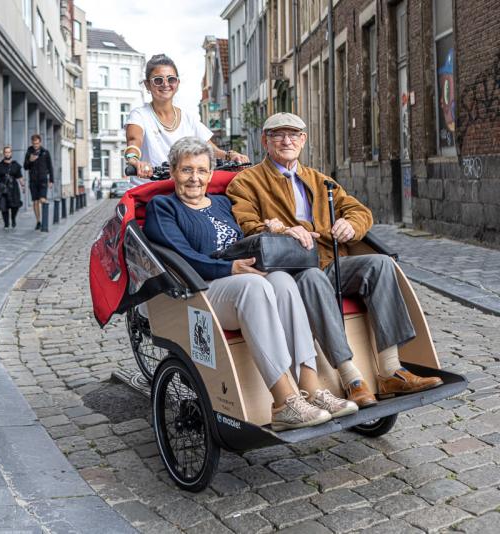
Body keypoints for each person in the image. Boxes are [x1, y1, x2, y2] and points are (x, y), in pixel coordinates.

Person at [227, 112, 443, 407]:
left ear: (303, 140)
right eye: (278, 134)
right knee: (313, 277)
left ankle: (391, 370)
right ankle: (351, 378)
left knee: (380, 264)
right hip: (291, 271)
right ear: (265, 141)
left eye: (293, 134)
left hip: (329, 262)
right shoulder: (246, 182)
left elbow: (360, 212)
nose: (286, 140)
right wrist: (278, 229)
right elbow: (246, 225)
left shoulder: (321, 180)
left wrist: (351, 225)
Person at [144, 136, 357, 430]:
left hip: (241, 280)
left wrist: (273, 228)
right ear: (172, 172)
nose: (195, 178)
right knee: (254, 287)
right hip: (201, 288)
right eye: (186, 170)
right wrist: (230, 268)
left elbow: (247, 234)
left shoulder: (222, 203)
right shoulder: (163, 207)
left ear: (211, 174)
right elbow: (181, 256)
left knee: (283, 281)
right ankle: (284, 403)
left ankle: (312, 388)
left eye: (202, 170)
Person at [124, 54, 248, 184]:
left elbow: (209, 148)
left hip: (181, 187)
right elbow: (133, 141)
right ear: (147, 85)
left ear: (177, 83)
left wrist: (230, 155)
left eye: (171, 79)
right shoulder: (139, 115)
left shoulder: (188, 118)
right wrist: (134, 161)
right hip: (148, 189)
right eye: (158, 80)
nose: (165, 84)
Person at [0, 146, 24, 230]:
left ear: (11, 153)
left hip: (14, 188)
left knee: (15, 206)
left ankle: (13, 218)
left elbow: (20, 177)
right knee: (4, 206)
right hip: (3, 189)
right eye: (6, 152)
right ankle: (6, 224)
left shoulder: (16, 165)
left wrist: (23, 185)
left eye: (9, 152)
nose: (7, 154)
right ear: (4, 154)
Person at [23, 134, 54, 230]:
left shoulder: (45, 152)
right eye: (34, 144)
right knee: (35, 201)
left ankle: (45, 220)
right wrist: (30, 160)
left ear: (40, 142)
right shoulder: (29, 152)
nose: (35, 145)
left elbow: (50, 167)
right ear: (32, 143)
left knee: (42, 199)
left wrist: (51, 180)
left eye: (37, 143)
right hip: (33, 181)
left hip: (43, 180)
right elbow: (25, 167)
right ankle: (38, 221)